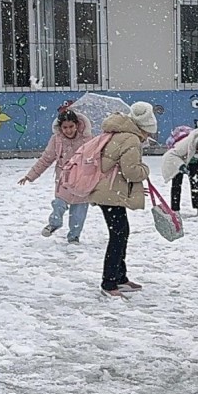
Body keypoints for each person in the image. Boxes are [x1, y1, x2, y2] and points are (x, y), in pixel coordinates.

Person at [88, 101, 156, 298]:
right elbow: (131, 171)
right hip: (109, 194)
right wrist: (145, 170)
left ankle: (120, 277)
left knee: (121, 233)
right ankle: (109, 282)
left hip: (109, 192)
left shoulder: (118, 133)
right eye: (150, 133)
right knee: (118, 236)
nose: (149, 137)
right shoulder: (131, 139)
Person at [21, 109, 93, 244]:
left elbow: (97, 159)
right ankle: (54, 223)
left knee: (79, 212)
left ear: (77, 125)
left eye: (71, 126)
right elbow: (46, 159)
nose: (68, 130)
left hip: (82, 180)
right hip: (63, 179)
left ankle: (74, 237)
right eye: (65, 127)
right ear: (60, 127)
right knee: (59, 204)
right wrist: (30, 176)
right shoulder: (57, 140)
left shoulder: (88, 139)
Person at [161, 127, 198, 215]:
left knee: (196, 184)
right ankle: (175, 209)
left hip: (193, 161)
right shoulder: (186, 144)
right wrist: (181, 166)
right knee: (176, 185)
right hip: (179, 159)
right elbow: (171, 155)